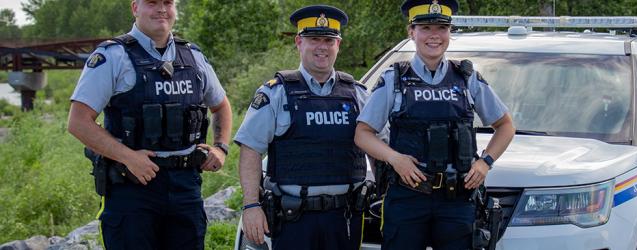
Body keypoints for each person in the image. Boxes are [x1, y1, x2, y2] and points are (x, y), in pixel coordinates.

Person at [67, 0, 232, 249]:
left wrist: (221, 147)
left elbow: (221, 106)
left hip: (186, 185)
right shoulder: (113, 56)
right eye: (152, 2)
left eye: (168, 2)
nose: (161, 9)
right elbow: (78, 122)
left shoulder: (193, 56)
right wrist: (128, 157)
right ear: (135, 8)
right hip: (133, 188)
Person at [354, 0, 516, 249]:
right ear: (411, 32)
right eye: (425, 27)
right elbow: (363, 134)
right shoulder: (395, 78)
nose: (434, 35)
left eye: (441, 28)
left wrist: (485, 162)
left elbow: (505, 126)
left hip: (457, 198)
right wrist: (395, 158)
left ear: (450, 33)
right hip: (408, 196)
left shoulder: (466, 77)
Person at [235, 5, 375, 250]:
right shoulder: (276, 92)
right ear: (299, 42)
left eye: (329, 40)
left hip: (345, 217)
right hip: (293, 219)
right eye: (314, 39)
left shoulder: (357, 94)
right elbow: (250, 149)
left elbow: (380, 146)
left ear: (338, 45)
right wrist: (251, 206)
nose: (322, 46)